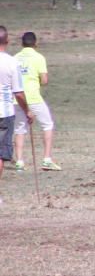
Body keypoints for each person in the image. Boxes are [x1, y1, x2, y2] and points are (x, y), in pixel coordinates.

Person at [13, 32, 59, 171]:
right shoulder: (39, 57)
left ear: (22, 43)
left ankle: (19, 161)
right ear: (35, 43)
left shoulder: (15, 58)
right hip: (33, 98)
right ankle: (47, 159)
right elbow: (44, 80)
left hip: (17, 98)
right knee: (47, 124)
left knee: (20, 129)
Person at [0, 26, 33, 188]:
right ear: (7, 41)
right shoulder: (12, 62)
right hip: (4, 112)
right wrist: (27, 110)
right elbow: (18, 93)